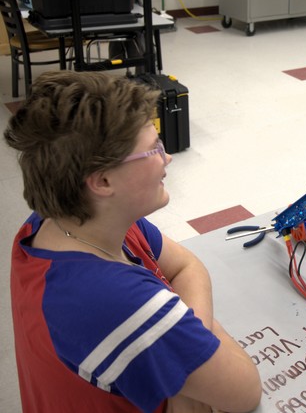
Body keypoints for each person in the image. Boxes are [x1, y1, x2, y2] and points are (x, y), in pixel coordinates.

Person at [4, 71, 262, 412]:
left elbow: (189, 266)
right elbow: (245, 392)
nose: (167, 157)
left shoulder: (62, 223)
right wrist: (195, 346)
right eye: (152, 149)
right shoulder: (111, 300)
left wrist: (185, 348)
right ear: (103, 181)